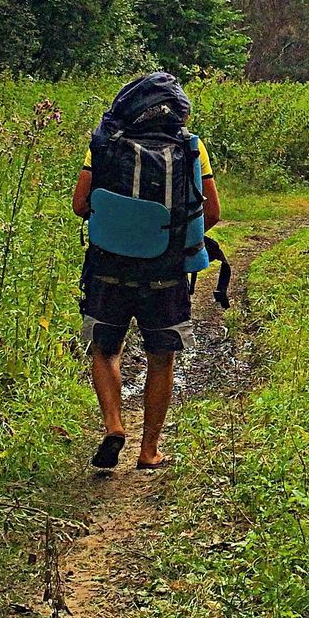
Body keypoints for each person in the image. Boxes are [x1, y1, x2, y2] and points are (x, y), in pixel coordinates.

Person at [72, 76, 220, 473]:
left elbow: (80, 203)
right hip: (165, 272)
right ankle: (149, 449)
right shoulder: (191, 145)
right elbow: (213, 213)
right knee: (161, 357)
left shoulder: (105, 142)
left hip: (109, 267)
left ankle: (114, 426)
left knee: (105, 349)